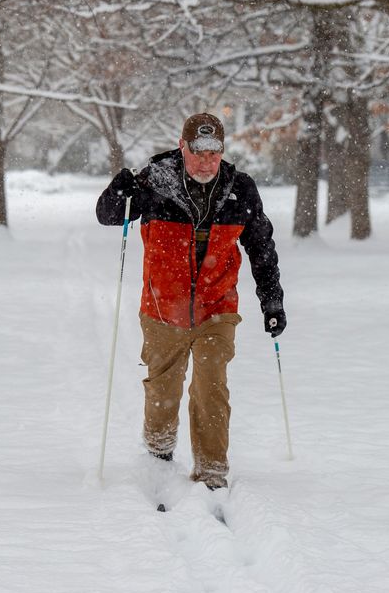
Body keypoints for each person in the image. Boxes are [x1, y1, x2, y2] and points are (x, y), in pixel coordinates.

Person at [96, 112, 285, 490]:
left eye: (214, 153)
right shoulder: (154, 182)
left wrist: (272, 301)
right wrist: (118, 189)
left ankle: (212, 472)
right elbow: (108, 216)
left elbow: (261, 247)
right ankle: (159, 454)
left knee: (211, 386)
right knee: (163, 389)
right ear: (182, 147)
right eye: (198, 152)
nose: (206, 162)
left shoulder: (239, 189)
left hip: (217, 307)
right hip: (163, 308)